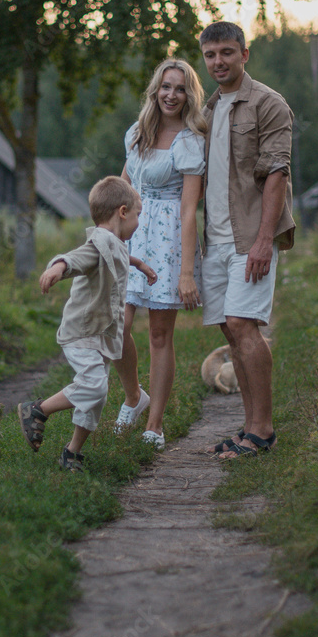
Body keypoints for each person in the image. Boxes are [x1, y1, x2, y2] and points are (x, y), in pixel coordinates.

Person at [199, 21, 295, 460]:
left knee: (243, 325)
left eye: (226, 52)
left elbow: (277, 174)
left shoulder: (268, 104)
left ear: (244, 54)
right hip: (215, 239)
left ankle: (263, 431)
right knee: (230, 330)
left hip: (250, 236)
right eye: (210, 55)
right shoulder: (208, 110)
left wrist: (263, 241)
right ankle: (249, 427)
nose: (218, 62)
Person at [17, 176, 156, 472]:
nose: (138, 222)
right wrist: (58, 267)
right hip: (82, 333)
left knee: (96, 397)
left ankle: (72, 453)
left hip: (99, 335)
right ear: (122, 212)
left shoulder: (115, 243)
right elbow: (77, 258)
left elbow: (118, 257)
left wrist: (139, 264)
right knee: (93, 387)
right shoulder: (99, 243)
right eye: (137, 215)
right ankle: (38, 410)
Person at [113, 59, 206, 451]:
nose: (171, 94)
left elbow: (189, 210)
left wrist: (186, 273)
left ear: (189, 95)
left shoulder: (190, 142)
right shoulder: (137, 133)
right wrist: (107, 237)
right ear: (156, 90)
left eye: (180, 88)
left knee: (158, 333)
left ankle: (155, 424)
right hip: (131, 235)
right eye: (166, 86)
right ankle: (134, 396)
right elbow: (122, 188)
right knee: (116, 325)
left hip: (167, 240)